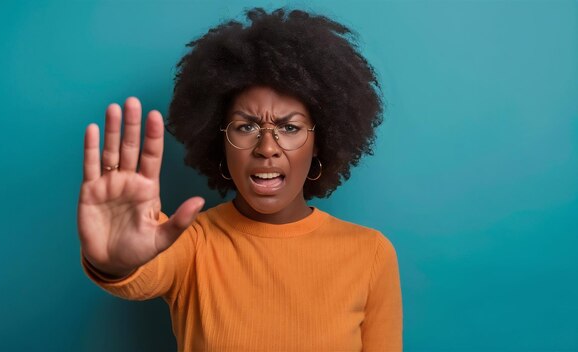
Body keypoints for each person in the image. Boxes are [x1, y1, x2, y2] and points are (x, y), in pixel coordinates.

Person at [78, 7, 402, 351]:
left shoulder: (370, 255)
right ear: (219, 140)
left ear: (319, 141)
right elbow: (143, 270)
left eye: (289, 128)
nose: (266, 148)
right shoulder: (191, 243)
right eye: (246, 126)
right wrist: (113, 263)